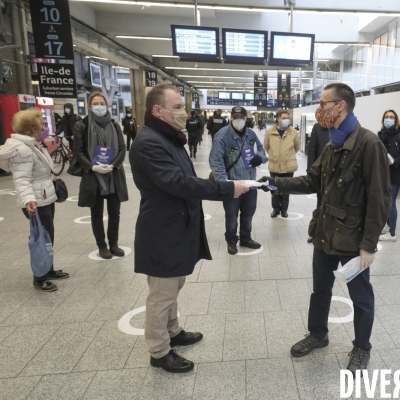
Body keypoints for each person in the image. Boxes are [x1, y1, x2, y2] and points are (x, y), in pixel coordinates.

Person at [258, 83, 390, 372]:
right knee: (320, 290)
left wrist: (369, 245)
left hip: (354, 239)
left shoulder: (369, 145)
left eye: (323, 104)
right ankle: (318, 334)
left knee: (361, 296)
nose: (320, 110)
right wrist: (273, 182)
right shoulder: (333, 144)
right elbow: (311, 181)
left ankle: (361, 347)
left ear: (340, 106)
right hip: (325, 231)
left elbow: (380, 200)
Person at [130, 84, 249, 374]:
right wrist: (225, 188)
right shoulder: (149, 142)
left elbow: (186, 177)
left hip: (177, 226)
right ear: (158, 110)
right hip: (162, 230)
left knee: (173, 287)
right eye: (178, 107)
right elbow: (178, 183)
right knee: (161, 294)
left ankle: (173, 331)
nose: (185, 112)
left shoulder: (169, 138)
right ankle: (159, 351)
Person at [0, 109, 69, 291]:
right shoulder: (22, 149)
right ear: (32, 128)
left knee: (48, 236)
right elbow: (22, 179)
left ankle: (49, 268)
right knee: (42, 239)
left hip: (44, 196)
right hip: (36, 201)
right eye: (42, 125)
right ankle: (40, 277)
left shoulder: (33, 145)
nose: (45, 127)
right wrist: (29, 200)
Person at [73, 92, 129, 260]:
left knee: (114, 212)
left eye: (102, 103)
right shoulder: (81, 125)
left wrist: (114, 165)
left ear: (106, 105)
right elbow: (78, 151)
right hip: (93, 176)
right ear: (90, 106)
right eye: (95, 103)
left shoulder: (114, 124)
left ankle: (113, 243)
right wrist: (93, 167)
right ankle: (102, 245)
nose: (99, 106)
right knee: (96, 213)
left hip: (113, 175)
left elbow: (121, 148)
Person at [209, 106, 267, 255]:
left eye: (241, 117)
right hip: (232, 185)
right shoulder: (222, 136)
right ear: (231, 118)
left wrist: (260, 157)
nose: (238, 120)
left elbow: (262, 150)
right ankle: (231, 241)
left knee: (248, 214)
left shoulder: (251, 134)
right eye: (235, 117)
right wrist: (225, 184)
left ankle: (246, 238)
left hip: (249, 184)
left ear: (246, 118)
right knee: (232, 216)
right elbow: (215, 162)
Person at [377, 110, 400, 242]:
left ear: (396, 120)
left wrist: (394, 161)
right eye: (386, 117)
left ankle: (392, 234)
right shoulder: (381, 135)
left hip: (396, 174)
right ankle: (387, 226)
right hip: (383, 173)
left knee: (391, 203)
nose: (389, 119)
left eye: (391, 117)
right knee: (384, 201)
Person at [264, 110, 300, 218]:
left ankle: (284, 209)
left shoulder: (293, 132)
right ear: (278, 119)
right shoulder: (270, 132)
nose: (286, 120)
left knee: (286, 189)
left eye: (287, 118)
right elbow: (266, 146)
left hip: (288, 166)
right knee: (274, 188)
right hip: (274, 166)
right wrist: (275, 155)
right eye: (284, 118)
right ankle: (276, 209)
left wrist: (287, 156)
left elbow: (297, 147)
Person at [305, 122, 330, 243]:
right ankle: (316, 232)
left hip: (339, 174)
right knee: (320, 204)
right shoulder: (318, 127)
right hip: (322, 172)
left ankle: (331, 233)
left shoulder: (342, 126)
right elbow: (312, 150)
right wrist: (310, 171)